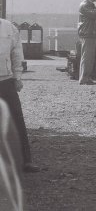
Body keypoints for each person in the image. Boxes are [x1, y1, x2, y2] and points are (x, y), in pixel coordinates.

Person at [0, 18, 39, 173]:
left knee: (16, 119)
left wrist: (17, 77)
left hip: (6, 81)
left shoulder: (9, 28)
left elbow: (17, 52)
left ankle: (25, 161)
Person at [78, 0, 96, 85]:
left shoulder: (89, 5)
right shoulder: (84, 5)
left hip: (90, 33)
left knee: (89, 57)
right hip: (87, 33)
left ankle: (86, 77)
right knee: (87, 56)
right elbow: (94, 15)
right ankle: (84, 77)